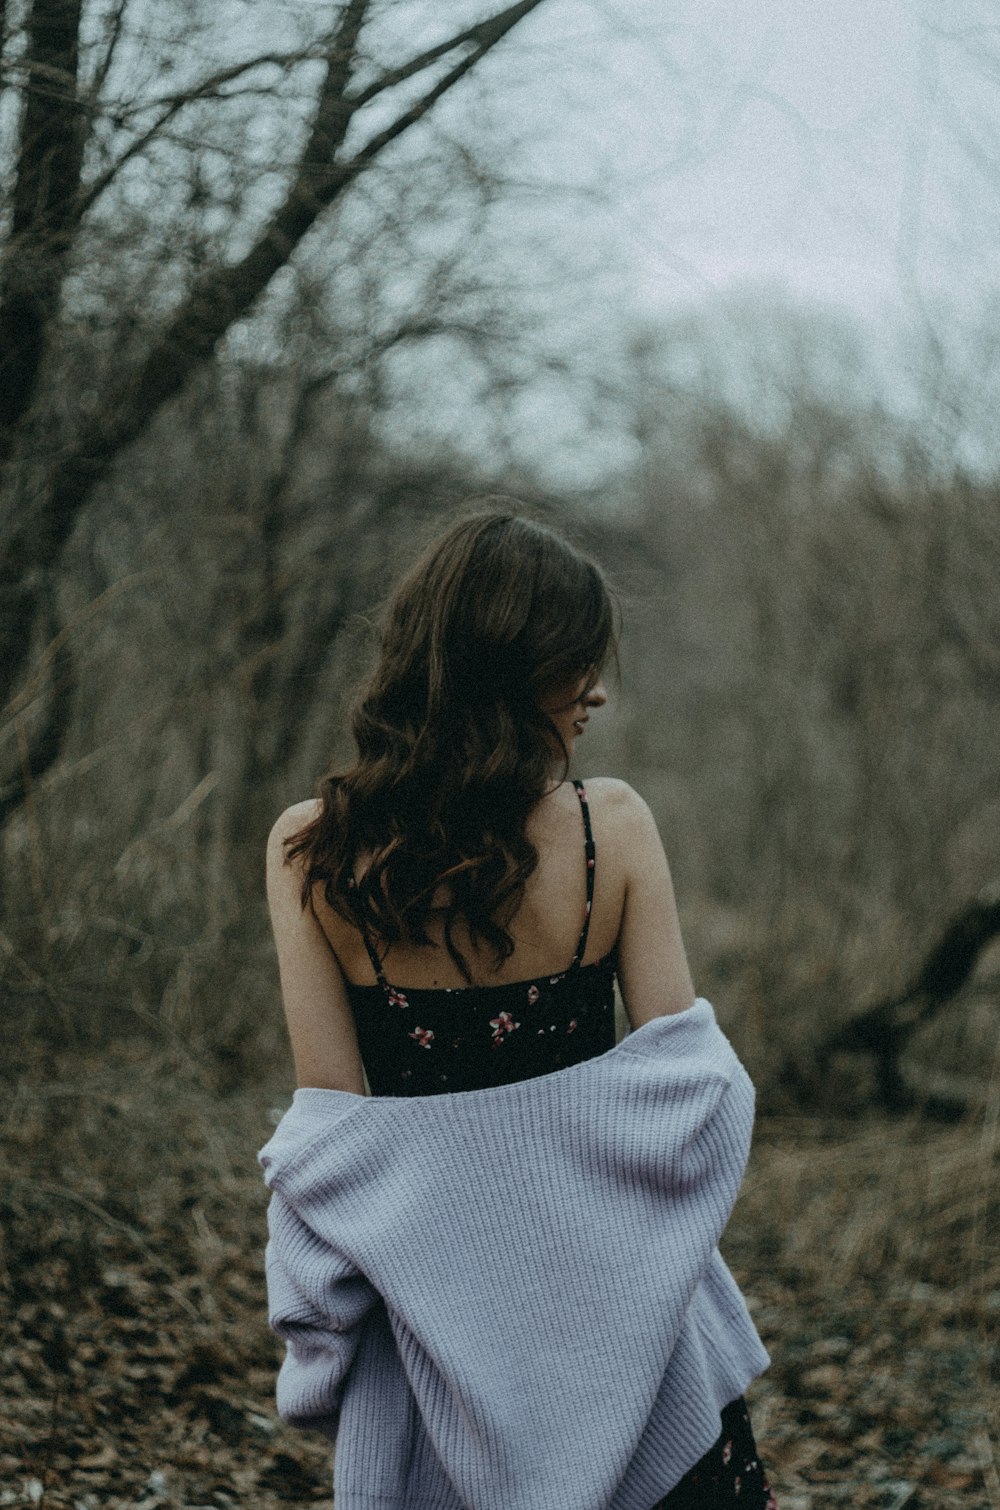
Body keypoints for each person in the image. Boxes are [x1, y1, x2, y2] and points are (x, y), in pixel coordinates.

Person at [262, 506, 778, 1510]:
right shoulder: (610, 830)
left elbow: (331, 1149)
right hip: (638, 1345)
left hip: (436, 1357)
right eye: (574, 661)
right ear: (507, 665)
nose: (594, 690)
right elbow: (691, 1106)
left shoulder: (309, 852)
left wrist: (326, 1354)